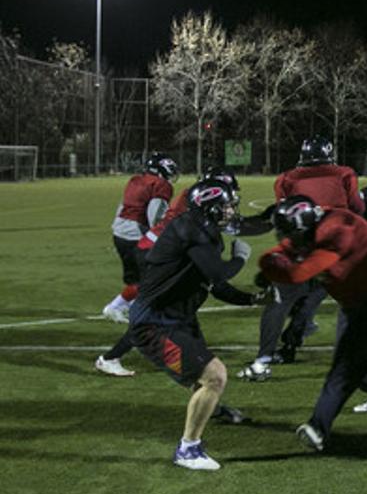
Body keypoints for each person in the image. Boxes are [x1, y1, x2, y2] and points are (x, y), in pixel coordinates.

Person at [127, 179, 262, 470]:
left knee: (205, 377)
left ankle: (207, 410)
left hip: (178, 317)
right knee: (215, 376)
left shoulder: (202, 229)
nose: (230, 210)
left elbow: (217, 287)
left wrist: (253, 300)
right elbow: (219, 276)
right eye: (225, 205)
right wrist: (240, 259)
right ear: (211, 206)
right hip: (154, 323)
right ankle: (188, 449)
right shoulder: (191, 230)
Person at [260, 195, 367, 451]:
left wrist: (272, 267)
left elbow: (297, 273)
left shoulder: (338, 229)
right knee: (350, 360)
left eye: (290, 234)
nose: (287, 241)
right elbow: (275, 256)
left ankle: (318, 428)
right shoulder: (313, 226)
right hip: (355, 302)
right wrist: (272, 263)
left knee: (344, 366)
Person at [95, 167, 269, 377]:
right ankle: (112, 352)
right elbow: (217, 271)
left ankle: (117, 330)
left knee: (176, 302)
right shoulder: (195, 224)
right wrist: (242, 255)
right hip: (159, 249)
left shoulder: (199, 214)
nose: (231, 208)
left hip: (163, 248)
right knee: (158, 308)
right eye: (226, 199)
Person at [242, 135, 366, 379]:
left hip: (300, 248)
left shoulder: (287, 178)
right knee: (352, 302)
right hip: (336, 248)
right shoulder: (344, 174)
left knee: (280, 301)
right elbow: (358, 209)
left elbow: (284, 214)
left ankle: (263, 361)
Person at [102, 152, 178, 325]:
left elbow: (123, 207)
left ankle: (120, 307)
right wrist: (159, 237)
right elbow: (155, 214)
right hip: (136, 235)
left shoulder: (135, 180)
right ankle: (128, 309)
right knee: (154, 278)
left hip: (120, 232)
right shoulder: (161, 185)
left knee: (139, 279)